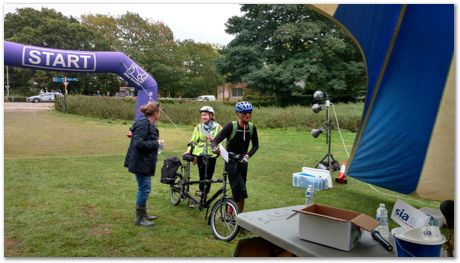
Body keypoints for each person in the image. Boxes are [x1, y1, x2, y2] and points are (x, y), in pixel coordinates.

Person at [212, 101, 259, 213]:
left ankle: (229, 213)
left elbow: (256, 145)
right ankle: (239, 221)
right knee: (241, 193)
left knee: (236, 190)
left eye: (249, 113)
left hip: (243, 162)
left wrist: (247, 156)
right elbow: (215, 141)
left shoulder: (252, 127)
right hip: (231, 161)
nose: (248, 115)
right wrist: (215, 150)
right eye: (244, 113)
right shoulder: (231, 126)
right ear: (238, 114)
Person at [124, 101, 164, 227]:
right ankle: (140, 219)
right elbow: (138, 143)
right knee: (144, 188)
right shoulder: (143, 124)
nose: (160, 113)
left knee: (144, 188)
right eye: (160, 111)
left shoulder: (148, 123)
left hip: (144, 161)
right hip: (140, 162)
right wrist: (156, 143)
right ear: (155, 113)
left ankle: (143, 215)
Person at [186, 106, 223, 202]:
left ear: (211, 115)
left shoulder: (218, 127)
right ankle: (202, 195)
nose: (203, 117)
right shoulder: (198, 127)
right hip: (200, 154)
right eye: (202, 115)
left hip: (212, 154)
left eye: (205, 115)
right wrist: (189, 149)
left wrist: (214, 142)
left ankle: (205, 194)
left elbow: (222, 141)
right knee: (202, 175)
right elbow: (193, 141)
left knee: (209, 176)